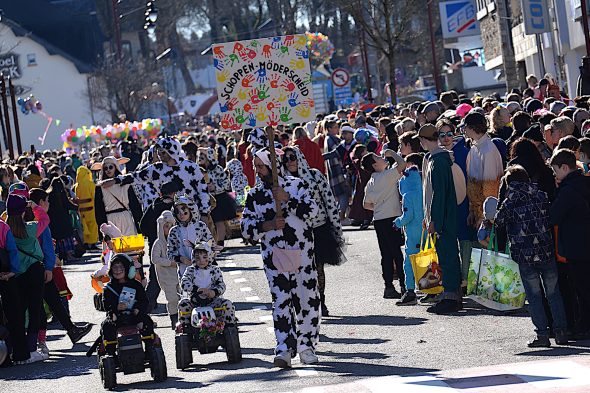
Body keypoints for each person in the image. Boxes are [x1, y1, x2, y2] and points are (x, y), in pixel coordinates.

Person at [241, 147, 321, 368]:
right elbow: (246, 228)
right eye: (256, 166)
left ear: (273, 166)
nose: (258, 170)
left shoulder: (297, 185)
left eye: (261, 166)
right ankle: (284, 348)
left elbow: (313, 212)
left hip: (302, 254)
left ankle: (306, 346)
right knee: (281, 302)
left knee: (306, 300)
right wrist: (267, 225)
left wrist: (288, 200)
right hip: (274, 256)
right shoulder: (255, 194)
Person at [495, 165, 568, 347]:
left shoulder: (510, 201)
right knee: (554, 293)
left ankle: (542, 335)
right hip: (546, 251)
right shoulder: (541, 195)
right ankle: (561, 332)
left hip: (524, 255)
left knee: (534, 296)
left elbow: (499, 221)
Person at [280, 146, 345, 317]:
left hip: (318, 228)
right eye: (285, 159)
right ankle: (303, 303)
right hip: (295, 233)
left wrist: (337, 228)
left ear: (299, 157)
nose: (289, 162)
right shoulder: (282, 182)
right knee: (298, 270)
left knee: (317, 267)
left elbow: (329, 201)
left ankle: (320, 300)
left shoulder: (315, 175)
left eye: (292, 157)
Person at [100, 137, 211, 218]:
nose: (159, 155)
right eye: (158, 153)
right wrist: (115, 180)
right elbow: (136, 176)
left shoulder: (191, 167)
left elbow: (202, 190)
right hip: (169, 213)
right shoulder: (156, 169)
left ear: (171, 151)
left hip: (191, 212)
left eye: (162, 153)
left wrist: (205, 212)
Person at [417, 124, 462, 314]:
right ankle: (450, 294)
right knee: (446, 256)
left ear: (424, 140)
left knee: (448, 256)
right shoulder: (438, 159)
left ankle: (452, 297)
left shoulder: (438, 161)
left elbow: (438, 195)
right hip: (445, 216)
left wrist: (435, 220)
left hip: (444, 218)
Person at [549, 149, 590, 336]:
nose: (555, 175)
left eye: (556, 170)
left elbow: (553, 216)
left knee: (581, 289)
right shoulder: (586, 182)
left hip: (576, 246)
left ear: (564, 167)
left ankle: (584, 327)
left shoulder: (568, 190)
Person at [7, 194, 49, 362]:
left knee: (19, 310)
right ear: (23, 211)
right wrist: (34, 206)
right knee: (35, 310)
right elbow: (45, 219)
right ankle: (31, 348)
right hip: (35, 270)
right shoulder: (30, 228)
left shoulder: (5, 229)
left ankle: (17, 348)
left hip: (17, 274)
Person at [362, 150, 407, 298]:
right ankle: (404, 285)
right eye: (378, 157)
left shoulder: (371, 181)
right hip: (392, 218)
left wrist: (379, 206)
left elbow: (366, 204)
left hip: (379, 219)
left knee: (386, 254)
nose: (382, 157)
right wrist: (392, 153)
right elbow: (402, 164)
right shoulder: (386, 176)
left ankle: (388, 286)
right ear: (375, 165)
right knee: (397, 253)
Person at [101, 254, 155, 356]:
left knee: (148, 322)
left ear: (128, 268)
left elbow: (144, 301)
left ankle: (149, 350)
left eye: (121, 267)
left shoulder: (136, 285)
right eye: (115, 267)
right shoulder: (109, 288)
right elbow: (106, 303)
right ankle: (111, 353)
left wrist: (138, 310)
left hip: (135, 316)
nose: (117, 270)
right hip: (117, 318)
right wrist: (115, 309)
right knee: (106, 326)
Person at [139, 181, 181, 312]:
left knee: (155, 275)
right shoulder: (175, 208)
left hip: (155, 243)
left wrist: (153, 235)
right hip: (174, 243)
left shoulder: (153, 206)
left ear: (161, 193)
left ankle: (147, 304)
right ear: (173, 193)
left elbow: (142, 226)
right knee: (178, 272)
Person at [177, 242, 236, 328]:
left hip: (213, 302)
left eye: (204, 257)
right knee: (183, 303)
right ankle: (185, 328)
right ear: (193, 258)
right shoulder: (190, 270)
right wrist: (196, 289)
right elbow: (184, 282)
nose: (201, 261)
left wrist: (213, 292)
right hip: (195, 302)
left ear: (209, 257)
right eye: (197, 258)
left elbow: (221, 285)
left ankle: (229, 327)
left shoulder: (215, 270)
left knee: (228, 304)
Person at [461, 112, 503, 229]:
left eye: (465, 127)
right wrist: (472, 210)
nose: (464, 130)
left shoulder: (488, 150)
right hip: (477, 212)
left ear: (472, 127)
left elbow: (491, 187)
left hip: (487, 216)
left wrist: (485, 217)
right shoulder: (475, 148)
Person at [393, 162, 423, 306]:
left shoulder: (408, 196)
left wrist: (398, 222)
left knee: (409, 263)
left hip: (412, 234)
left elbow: (408, 216)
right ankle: (432, 288)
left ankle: (410, 291)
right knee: (429, 260)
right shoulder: (423, 191)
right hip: (425, 232)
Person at [93, 156, 142, 237]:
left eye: (110, 167)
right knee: (113, 248)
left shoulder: (125, 184)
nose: (108, 170)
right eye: (105, 168)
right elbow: (99, 210)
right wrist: (102, 228)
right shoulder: (99, 188)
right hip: (110, 221)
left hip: (126, 218)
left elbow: (134, 205)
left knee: (130, 246)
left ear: (115, 167)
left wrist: (139, 224)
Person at [167, 195, 214, 279]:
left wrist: (204, 259)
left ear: (191, 210)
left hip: (204, 270)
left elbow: (211, 245)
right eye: (178, 212)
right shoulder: (174, 231)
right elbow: (170, 253)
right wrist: (181, 259)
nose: (181, 215)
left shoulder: (200, 226)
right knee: (188, 290)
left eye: (184, 212)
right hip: (184, 271)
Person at [198, 147, 237, 247]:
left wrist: (215, 187)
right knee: (207, 221)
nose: (200, 157)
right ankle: (208, 242)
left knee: (219, 221)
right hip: (204, 199)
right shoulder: (198, 170)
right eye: (199, 156)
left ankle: (220, 243)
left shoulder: (218, 169)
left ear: (209, 157)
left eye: (203, 156)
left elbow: (226, 183)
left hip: (219, 198)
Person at [152, 211, 180, 328]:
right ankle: (174, 319)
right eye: (166, 226)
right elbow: (155, 259)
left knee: (183, 297)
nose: (169, 229)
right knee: (172, 298)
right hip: (166, 277)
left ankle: (183, 318)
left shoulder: (177, 241)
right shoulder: (158, 243)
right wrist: (169, 263)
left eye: (171, 226)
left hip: (179, 274)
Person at [347, 144, 373, 229]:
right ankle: (366, 219)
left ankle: (361, 218)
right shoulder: (364, 161)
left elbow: (352, 157)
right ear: (362, 153)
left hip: (361, 184)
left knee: (360, 201)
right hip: (367, 183)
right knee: (367, 201)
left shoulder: (357, 161)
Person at [74, 166, 98, 249]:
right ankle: (93, 243)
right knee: (93, 226)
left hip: (82, 210)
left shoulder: (77, 186)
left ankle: (86, 243)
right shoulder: (90, 184)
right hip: (91, 209)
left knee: (85, 226)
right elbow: (94, 196)